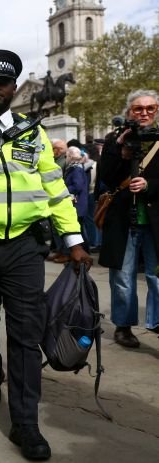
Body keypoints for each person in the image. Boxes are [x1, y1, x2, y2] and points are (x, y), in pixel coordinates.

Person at [0, 49, 91, 462]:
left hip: (23, 248)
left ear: (13, 88)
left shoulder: (32, 133)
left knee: (25, 335)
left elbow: (54, 189)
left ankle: (25, 424)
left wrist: (73, 240)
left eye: (2, 82)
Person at [99, 89, 159, 348]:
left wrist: (149, 185)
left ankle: (157, 324)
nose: (144, 113)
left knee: (157, 277)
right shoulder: (115, 139)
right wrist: (120, 152)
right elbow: (106, 177)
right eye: (138, 109)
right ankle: (123, 326)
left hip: (155, 220)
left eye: (150, 108)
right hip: (124, 220)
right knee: (122, 278)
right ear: (128, 112)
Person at [64, 146, 90, 250]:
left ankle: (84, 251)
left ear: (70, 156)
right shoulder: (77, 167)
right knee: (80, 227)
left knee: (80, 229)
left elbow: (77, 186)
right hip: (79, 202)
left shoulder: (76, 169)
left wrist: (64, 187)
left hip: (77, 202)